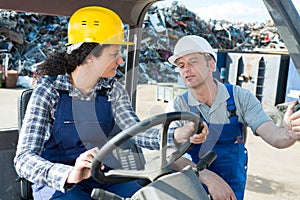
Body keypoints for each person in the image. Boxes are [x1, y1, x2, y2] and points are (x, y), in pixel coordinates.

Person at [14, 7, 208, 199]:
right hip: (58, 183)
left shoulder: (112, 90)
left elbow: (136, 132)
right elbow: (23, 160)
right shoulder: (49, 91)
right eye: (114, 54)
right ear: (89, 57)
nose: (121, 61)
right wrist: (69, 174)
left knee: (146, 195)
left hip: (102, 175)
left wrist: (176, 135)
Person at [167, 35, 300, 200]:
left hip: (231, 184)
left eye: (193, 61)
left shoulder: (239, 98)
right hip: (192, 183)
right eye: (181, 65)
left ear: (211, 65)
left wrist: (288, 134)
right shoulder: (178, 105)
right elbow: (170, 156)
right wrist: (206, 176)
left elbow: (274, 136)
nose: (186, 69)